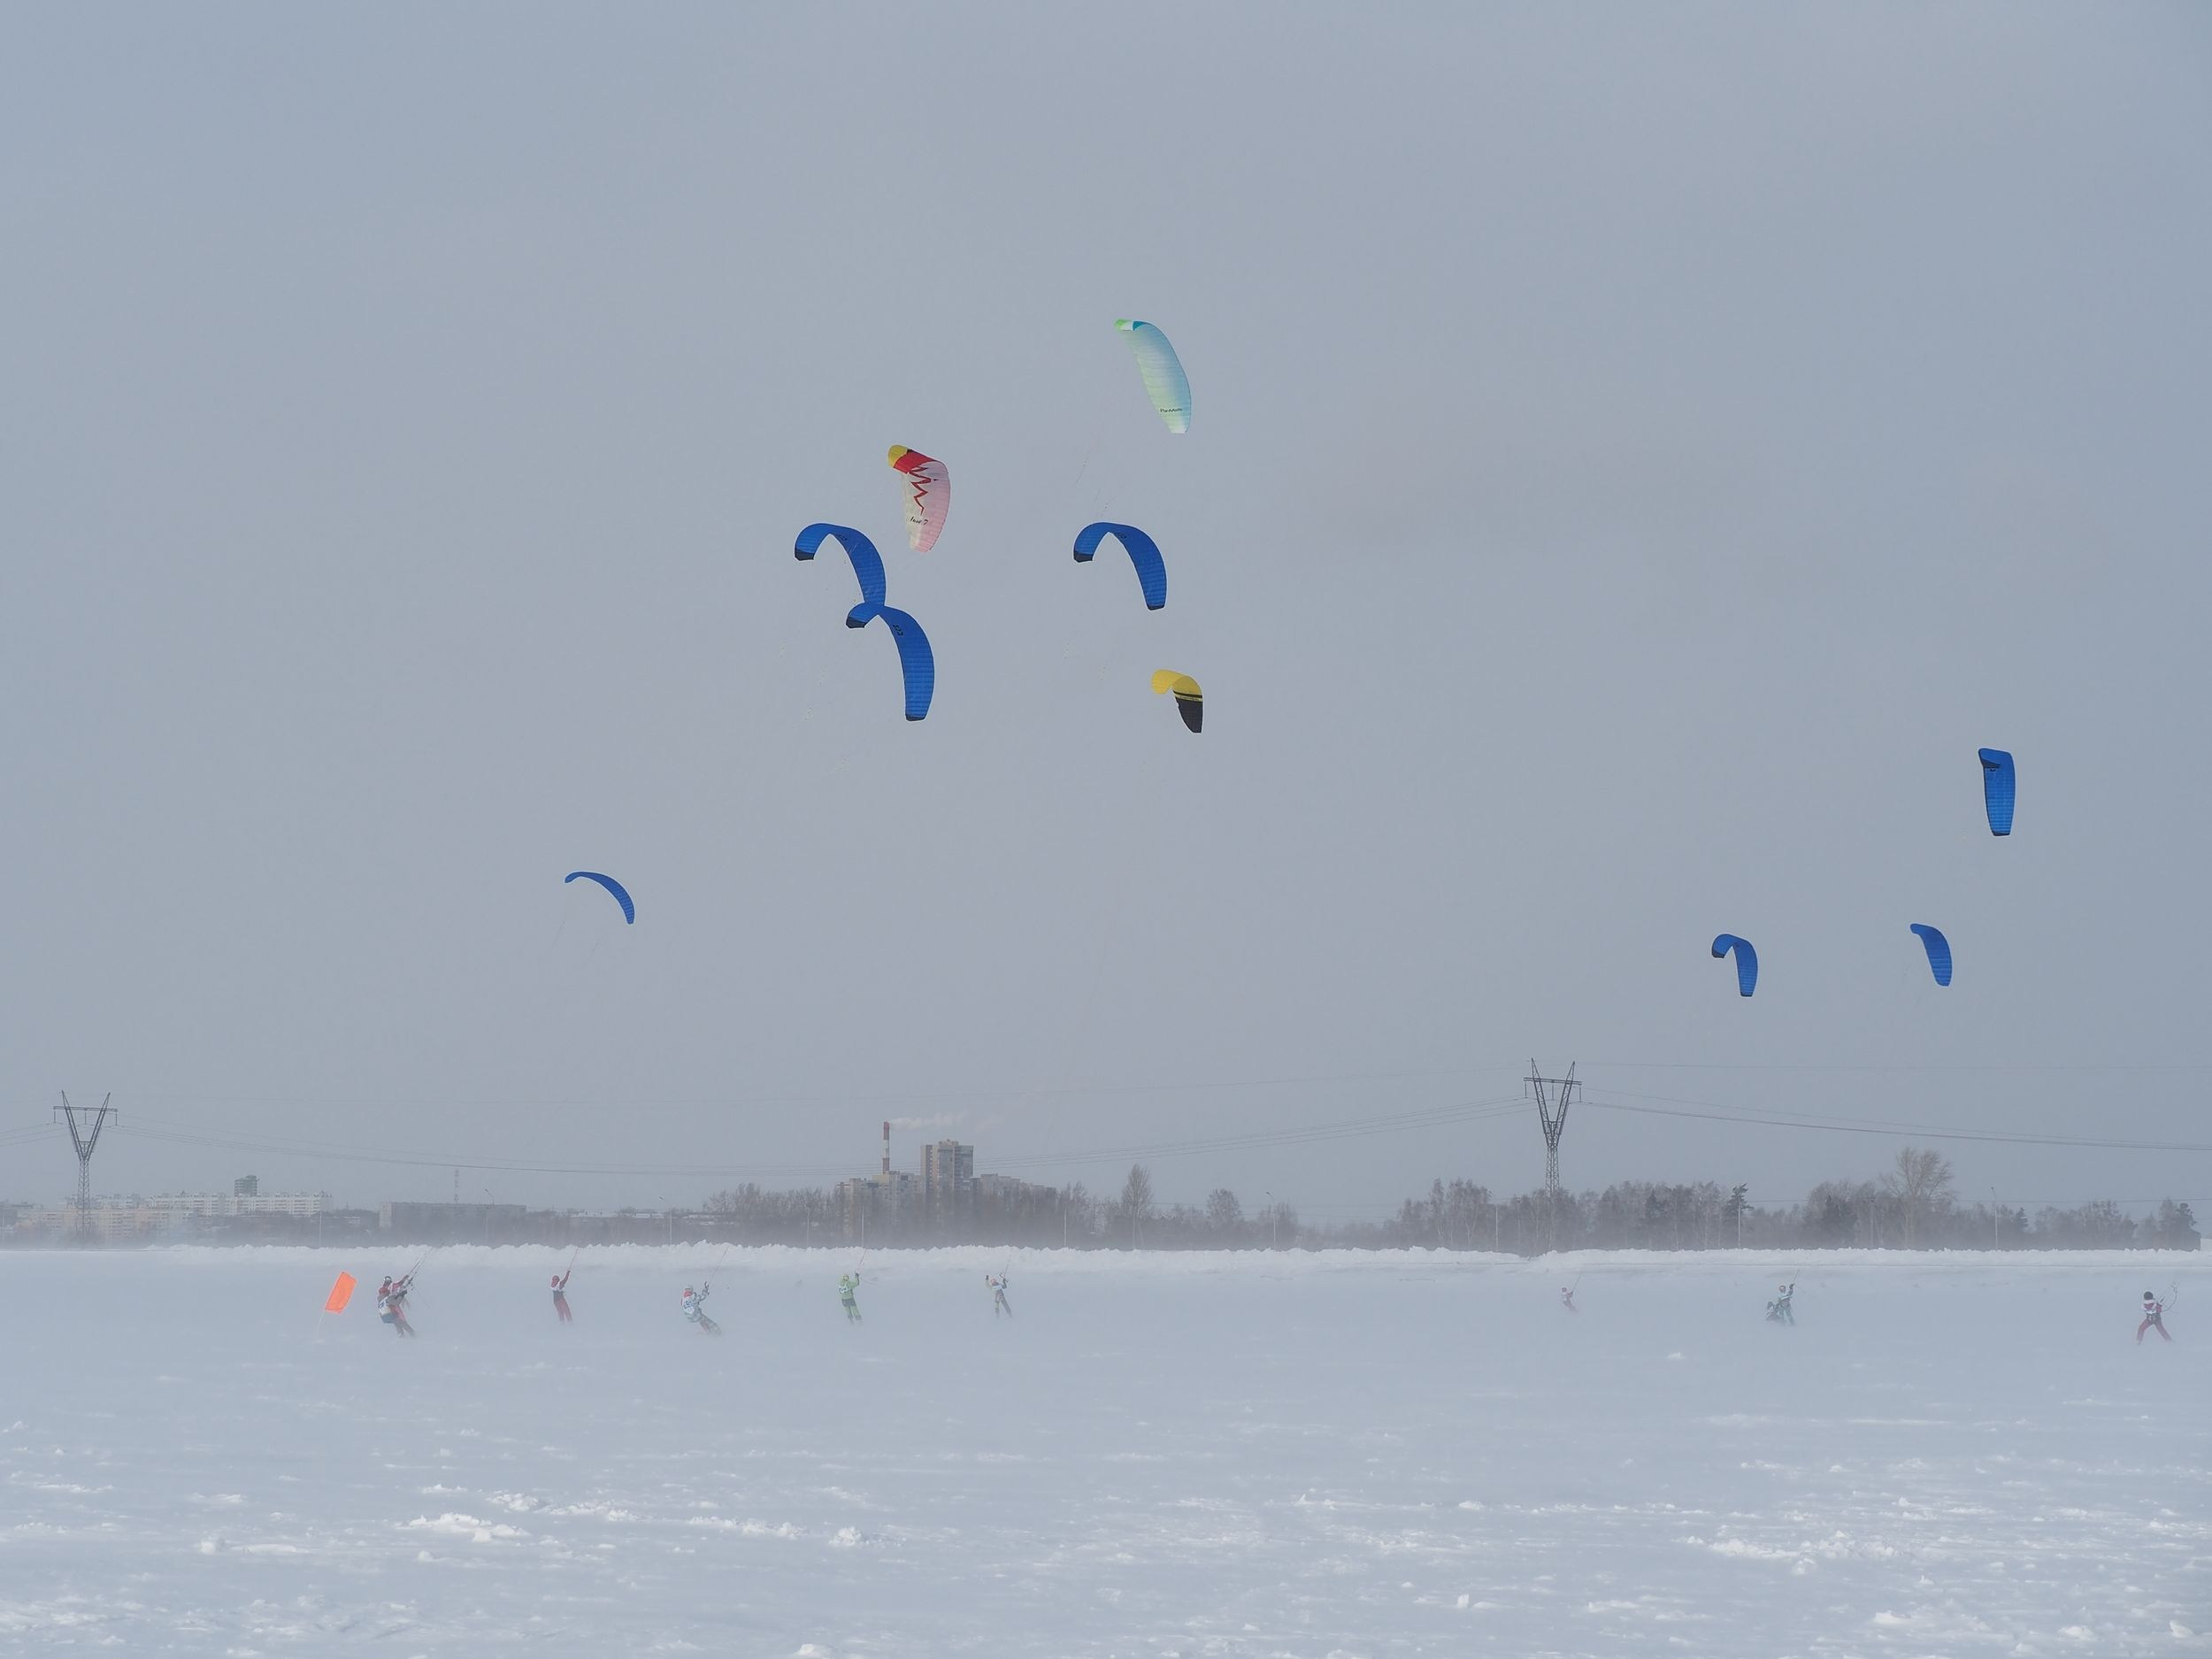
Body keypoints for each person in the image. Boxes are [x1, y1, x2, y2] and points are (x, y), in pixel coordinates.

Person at [381, 1272, 417, 1337]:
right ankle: (412, 1334)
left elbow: (398, 1286)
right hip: (392, 1307)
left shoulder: (384, 1290)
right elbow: (399, 1284)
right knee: (401, 1320)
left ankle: (400, 1333)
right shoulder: (390, 1287)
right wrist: (402, 1294)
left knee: (396, 1320)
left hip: (387, 1310)